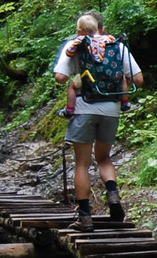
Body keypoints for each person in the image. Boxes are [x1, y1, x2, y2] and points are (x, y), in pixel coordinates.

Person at [53, 12, 143, 231]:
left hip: (84, 108)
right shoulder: (116, 46)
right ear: (101, 28)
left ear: (80, 30)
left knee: (82, 164)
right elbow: (139, 80)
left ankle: (85, 217)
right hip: (111, 109)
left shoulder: (75, 45)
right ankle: (113, 197)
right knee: (104, 158)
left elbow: (60, 78)